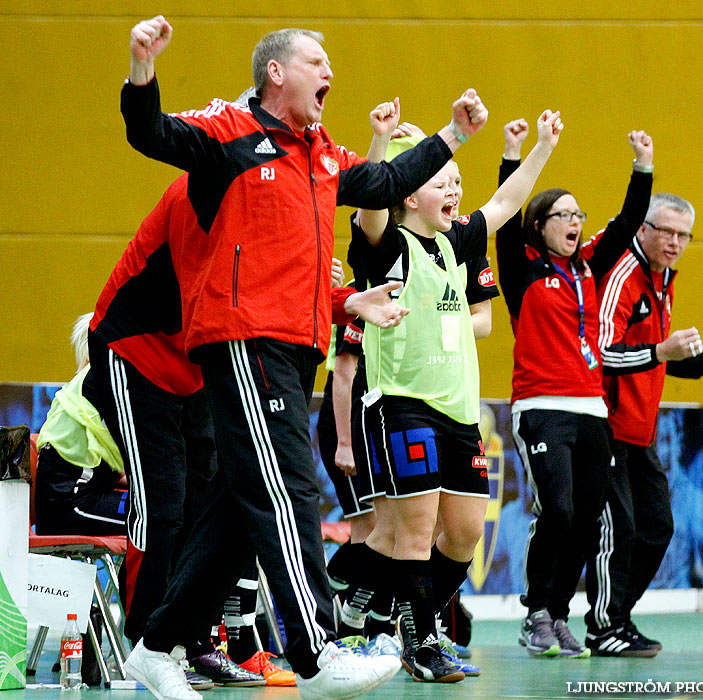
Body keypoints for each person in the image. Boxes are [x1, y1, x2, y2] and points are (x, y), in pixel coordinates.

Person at [120, 15, 488, 700]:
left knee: (239, 503)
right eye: (316, 61)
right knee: (291, 489)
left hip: (298, 345)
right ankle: (314, 648)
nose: (329, 73)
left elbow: (382, 182)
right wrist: (143, 66)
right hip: (241, 337)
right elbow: (151, 133)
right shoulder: (228, 134)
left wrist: (452, 135)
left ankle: (158, 643)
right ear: (276, 73)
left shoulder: (320, 154)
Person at [348, 105, 561, 682]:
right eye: (440, 180)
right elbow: (369, 201)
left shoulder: (456, 243)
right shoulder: (387, 242)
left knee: (464, 533)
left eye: (456, 181)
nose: (454, 189)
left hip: (460, 414)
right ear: (407, 196)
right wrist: (379, 140)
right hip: (402, 403)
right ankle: (419, 643)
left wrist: (541, 147)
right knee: (412, 531)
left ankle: (391, 613)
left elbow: (505, 204)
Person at [495, 119, 654, 659]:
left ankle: (559, 614)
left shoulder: (589, 267)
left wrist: (643, 165)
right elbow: (505, 214)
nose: (574, 221)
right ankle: (536, 610)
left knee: (587, 518)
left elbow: (631, 221)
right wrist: (514, 153)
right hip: (541, 408)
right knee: (557, 510)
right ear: (540, 225)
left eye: (578, 215)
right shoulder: (523, 273)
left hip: (592, 410)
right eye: (563, 214)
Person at [586, 192, 703, 656]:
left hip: (642, 428)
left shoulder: (664, 276)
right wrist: (661, 352)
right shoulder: (622, 277)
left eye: (683, 235)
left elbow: (656, 353)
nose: (675, 242)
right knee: (620, 530)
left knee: (658, 528)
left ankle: (618, 618)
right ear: (642, 230)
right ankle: (601, 628)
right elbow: (599, 355)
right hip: (606, 423)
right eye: (666, 231)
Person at [35, 313, 127, 537]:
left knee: (170, 510)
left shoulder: (86, 386)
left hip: (84, 495)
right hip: (70, 504)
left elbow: (113, 469)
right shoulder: (100, 383)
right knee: (163, 516)